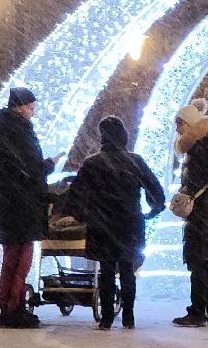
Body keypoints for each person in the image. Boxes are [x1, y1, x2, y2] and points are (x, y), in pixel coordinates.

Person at [67, 116, 165, 330]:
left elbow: (75, 195)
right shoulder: (135, 161)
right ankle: (129, 316)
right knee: (128, 269)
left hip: (102, 224)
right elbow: (155, 190)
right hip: (129, 223)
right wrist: (152, 209)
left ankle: (107, 318)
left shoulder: (92, 163)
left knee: (106, 269)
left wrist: (83, 215)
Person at [0, 86, 55, 330]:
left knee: (10, 257)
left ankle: (7, 306)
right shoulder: (18, 130)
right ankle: (13, 309)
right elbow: (30, 169)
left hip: (3, 202)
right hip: (21, 204)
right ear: (21, 106)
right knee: (22, 257)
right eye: (31, 108)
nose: (32, 114)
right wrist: (49, 165)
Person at [171, 99, 208, 328]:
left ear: (191, 124)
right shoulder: (201, 147)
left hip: (203, 214)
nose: (177, 128)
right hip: (205, 212)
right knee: (204, 263)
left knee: (199, 261)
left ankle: (198, 312)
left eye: (180, 123)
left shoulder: (200, 149)